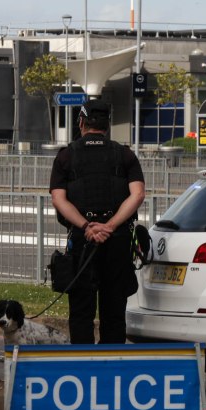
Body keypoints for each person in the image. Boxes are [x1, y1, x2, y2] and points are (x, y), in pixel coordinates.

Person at [49, 100, 145, 344]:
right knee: (114, 311)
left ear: (81, 123)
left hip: (83, 241)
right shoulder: (125, 155)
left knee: (81, 311)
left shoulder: (66, 156)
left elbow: (58, 199)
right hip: (118, 240)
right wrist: (110, 226)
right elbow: (138, 194)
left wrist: (86, 226)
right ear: (107, 125)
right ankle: (110, 370)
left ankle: (82, 367)